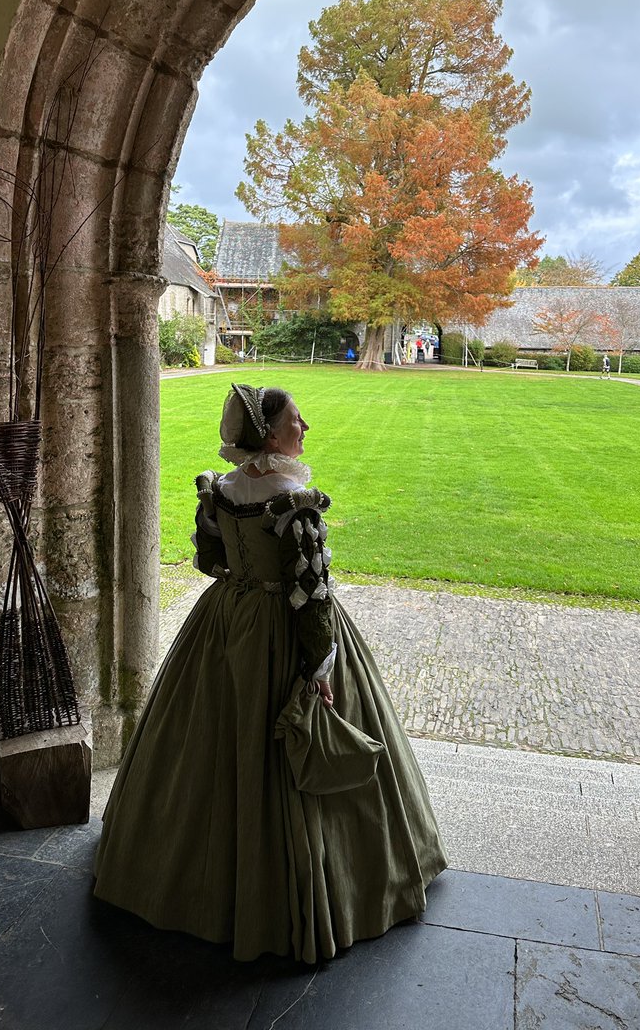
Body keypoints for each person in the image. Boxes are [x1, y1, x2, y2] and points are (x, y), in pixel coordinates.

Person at [93, 383, 447, 963]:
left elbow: (210, 561)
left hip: (225, 620)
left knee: (202, 744)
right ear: (272, 432)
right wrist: (320, 668)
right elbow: (312, 596)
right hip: (281, 629)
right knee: (292, 746)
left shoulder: (223, 489)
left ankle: (180, 877)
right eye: (298, 422)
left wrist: (243, 572)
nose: (305, 431)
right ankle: (298, 896)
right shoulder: (294, 499)